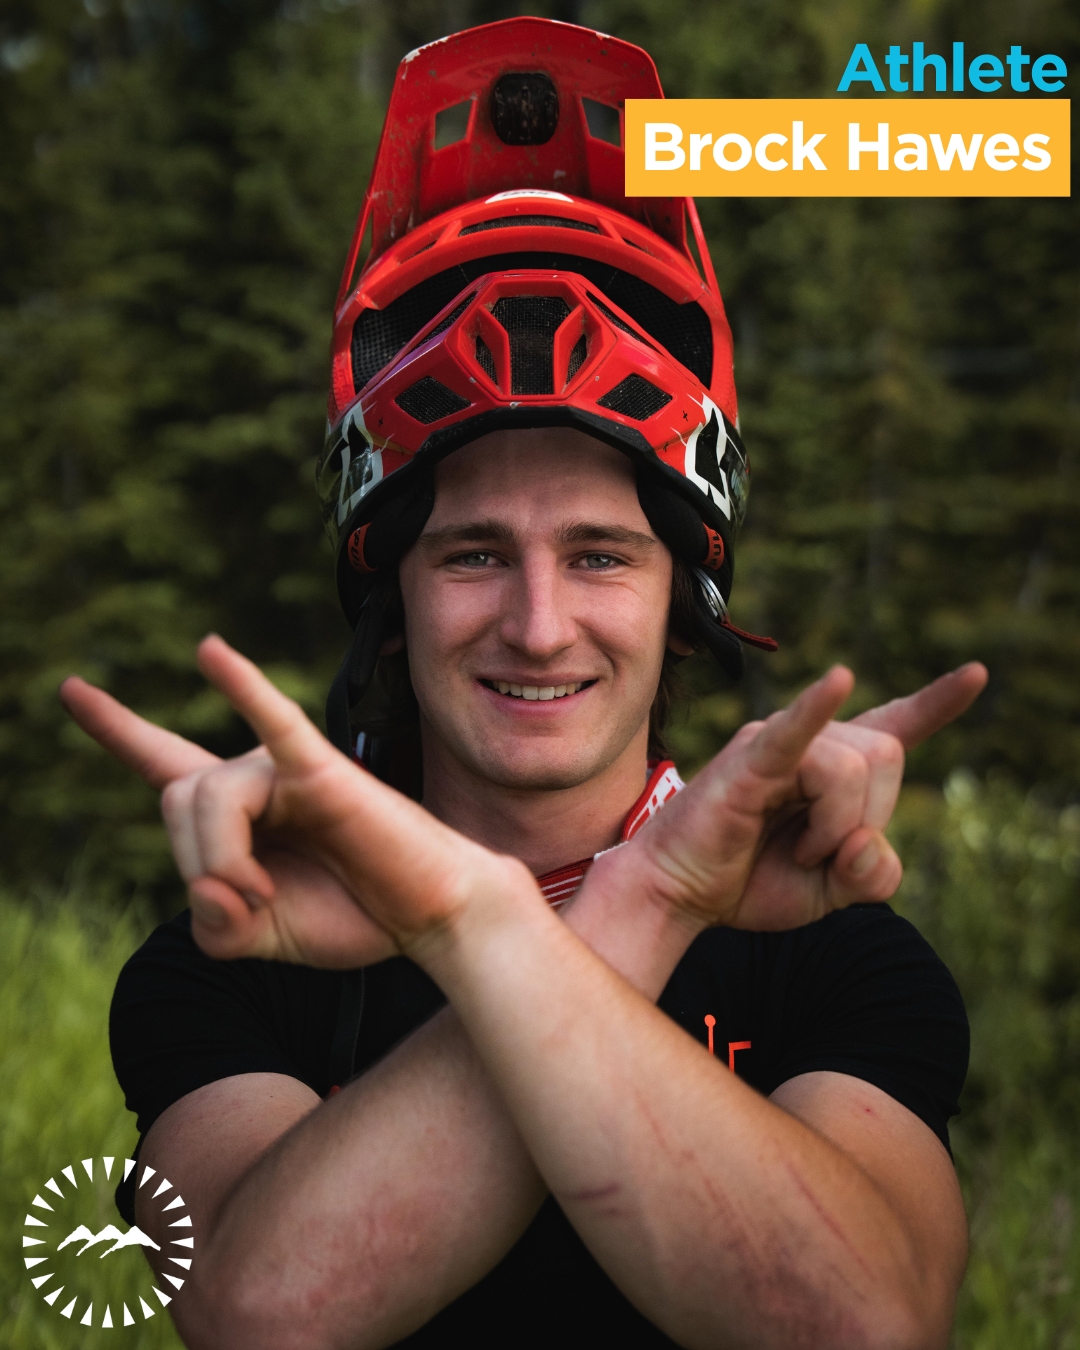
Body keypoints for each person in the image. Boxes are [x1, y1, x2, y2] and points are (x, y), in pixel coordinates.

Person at [60, 19, 988, 1350]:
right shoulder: (232, 954)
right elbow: (263, 1311)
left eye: (601, 554)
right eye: (474, 553)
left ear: (688, 600)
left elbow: (858, 1320)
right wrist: (605, 910)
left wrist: (535, 922)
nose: (539, 625)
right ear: (393, 595)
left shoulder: (838, 949)